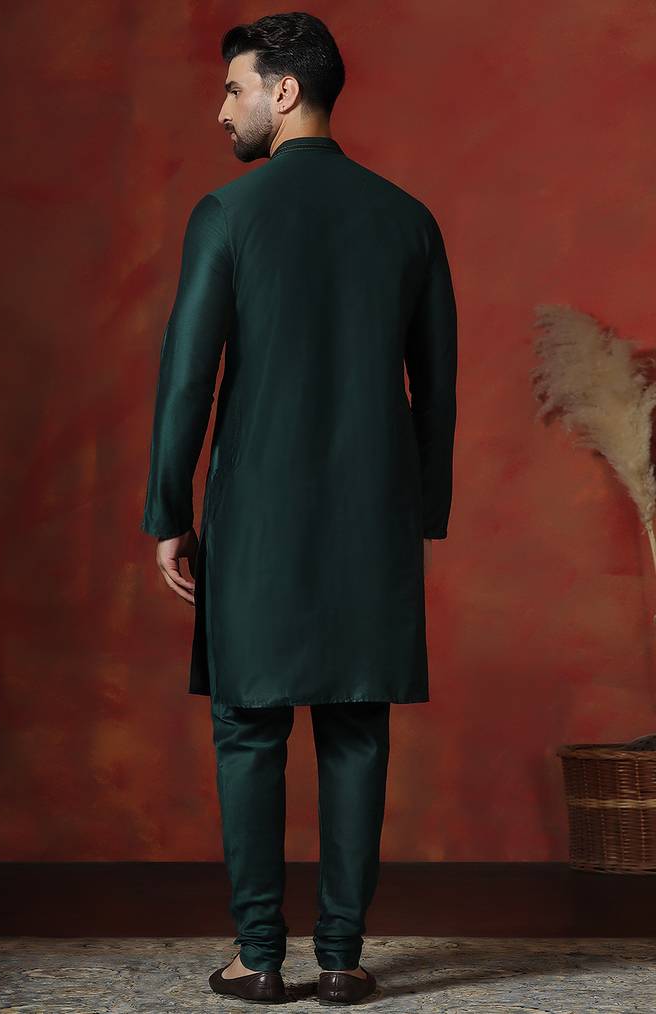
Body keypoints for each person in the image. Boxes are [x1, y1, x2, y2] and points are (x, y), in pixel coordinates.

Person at [141, 11, 457, 1006]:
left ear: (284, 92)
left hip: (258, 522)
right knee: (356, 728)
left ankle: (259, 956)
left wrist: (167, 511)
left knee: (250, 727)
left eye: (233, 87)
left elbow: (187, 380)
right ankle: (341, 959)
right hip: (373, 517)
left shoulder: (227, 214)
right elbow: (436, 387)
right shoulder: (407, 219)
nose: (220, 108)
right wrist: (422, 511)